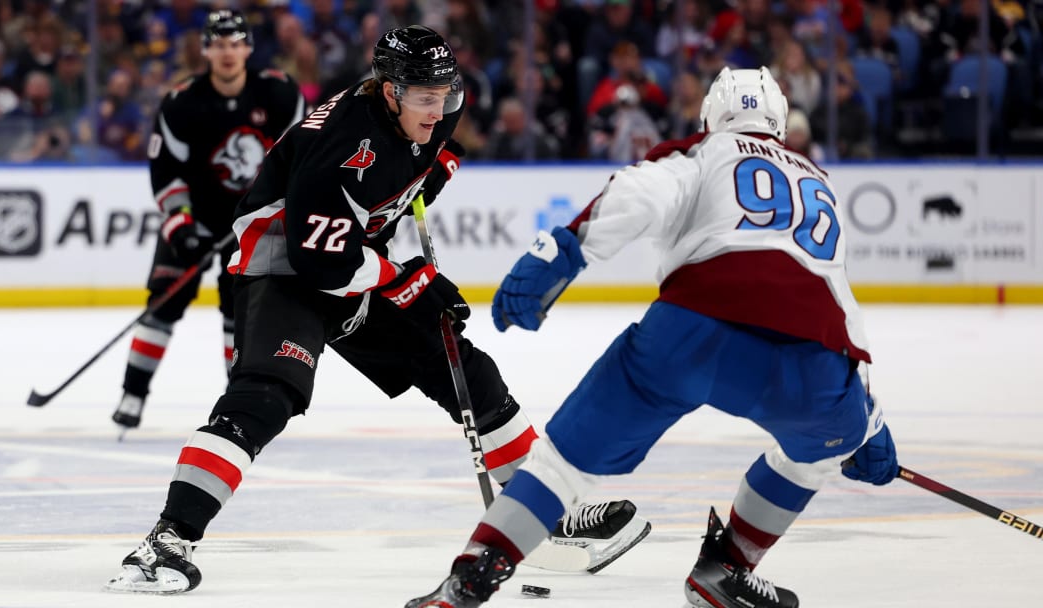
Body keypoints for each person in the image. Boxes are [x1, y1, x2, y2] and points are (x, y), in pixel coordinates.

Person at [103, 24, 649, 595]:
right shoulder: (338, 147)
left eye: (446, 96)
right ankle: (164, 542)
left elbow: (414, 172)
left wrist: (429, 180)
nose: (439, 111)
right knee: (266, 394)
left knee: (466, 368)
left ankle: (544, 514)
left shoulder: (431, 110)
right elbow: (320, 266)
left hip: (347, 260)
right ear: (389, 91)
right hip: (283, 268)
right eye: (425, 99)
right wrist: (406, 279)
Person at [407, 66, 901, 608]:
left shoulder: (704, 152)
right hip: (812, 364)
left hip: (691, 333)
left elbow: (637, 194)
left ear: (711, 116)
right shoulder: (818, 183)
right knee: (813, 456)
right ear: (780, 123)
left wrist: (564, 252)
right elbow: (840, 301)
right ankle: (728, 567)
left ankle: (469, 578)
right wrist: (863, 423)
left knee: (564, 466)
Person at [111, 9, 306, 431]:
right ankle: (133, 392)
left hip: (254, 224)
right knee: (162, 304)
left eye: (236, 43)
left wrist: (275, 212)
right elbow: (165, 169)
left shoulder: (280, 94)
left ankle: (235, 401)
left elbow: (300, 161)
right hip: (195, 220)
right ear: (205, 50)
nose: (228, 52)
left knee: (241, 315)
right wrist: (180, 224)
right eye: (219, 44)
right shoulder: (182, 102)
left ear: (249, 48)